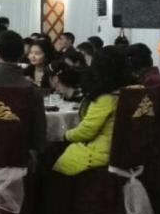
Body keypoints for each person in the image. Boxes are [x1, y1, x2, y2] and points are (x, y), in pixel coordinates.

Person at [51, 47, 132, 176]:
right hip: (126, 152)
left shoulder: (105, 98)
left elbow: (86, 131)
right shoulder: (133, 93)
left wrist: (65, 135)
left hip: (99, 154)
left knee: (50, 154)